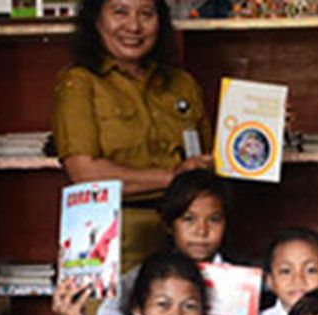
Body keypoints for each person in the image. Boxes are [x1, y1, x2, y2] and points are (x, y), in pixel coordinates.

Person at [51, 0, 213, 287]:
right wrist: (173, 176)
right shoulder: (79, 83)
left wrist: (264, 131)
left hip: (182, 235)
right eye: (120, 12)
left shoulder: (181, 84)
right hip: (105, 235)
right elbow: (84, 172)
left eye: (146, 14)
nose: (134, 26)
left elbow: (207, 164)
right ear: (96, 20)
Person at [54, 169, 230, 315]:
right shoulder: (138, 279)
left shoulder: (244, 283)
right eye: (188, 219)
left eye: (214, 220)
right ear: (168, 225)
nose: (201, 231)